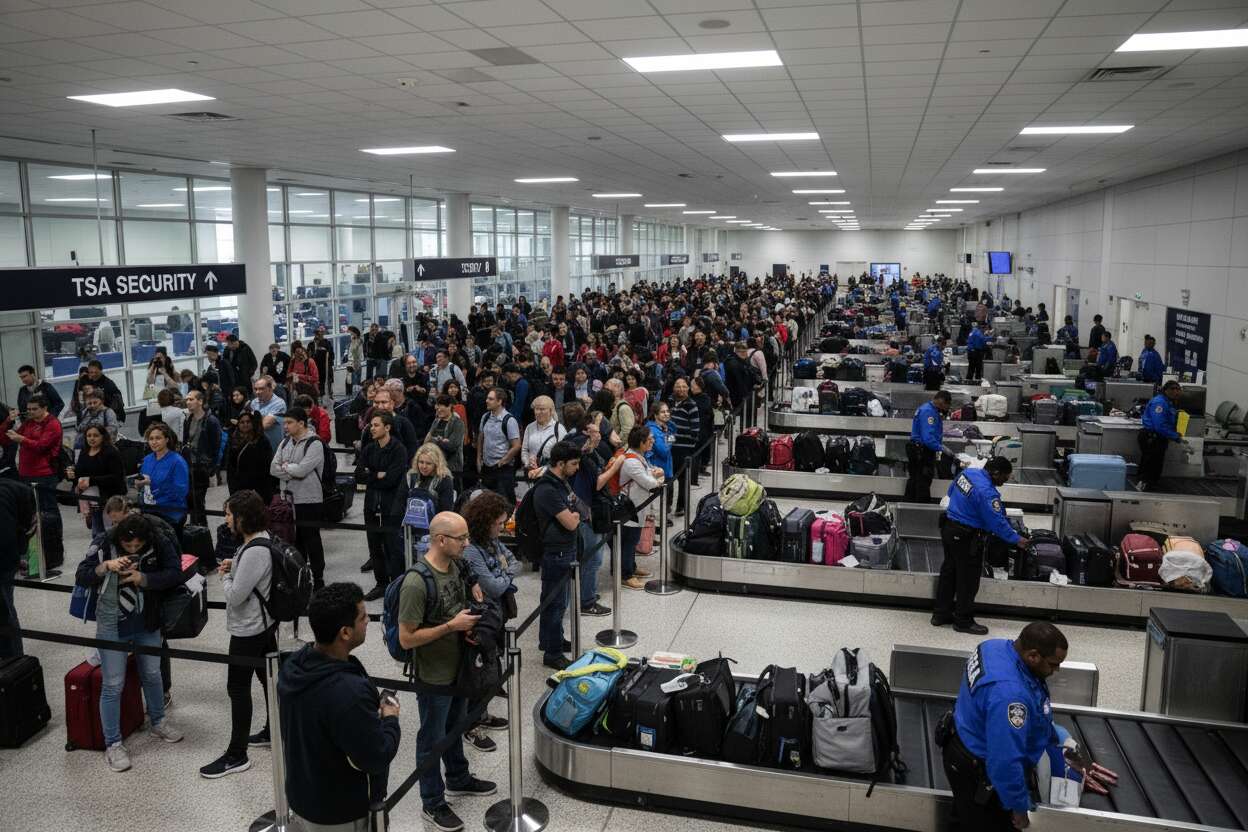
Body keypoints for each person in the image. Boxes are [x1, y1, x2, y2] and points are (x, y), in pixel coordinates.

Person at [944, 622, 1117, 831]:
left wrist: (1066, 755)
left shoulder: (993, 647)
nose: (1056, 670)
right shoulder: (1011, 696)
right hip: (977, 767)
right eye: (1053, 664)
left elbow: (1035, 717)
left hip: (962, 739)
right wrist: (1018, 807)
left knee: (966, 816)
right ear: (1033, 655)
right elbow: (1005, 762)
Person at [397, 512, 496, 832]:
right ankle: (432, 801)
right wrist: (451, 626)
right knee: (432, 737)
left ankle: (458, 777)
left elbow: (457, 602)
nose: (467, 543)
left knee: (456, 726)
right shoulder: (416, 582)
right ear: (441, 540)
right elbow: (407, 638)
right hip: (434, 675)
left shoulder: (455, 565)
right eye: (461, 538)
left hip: (459, 667)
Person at [279, 583, 402, 831]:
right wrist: (390, 719)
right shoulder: (348, 693)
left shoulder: (294, 666)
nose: (368, 621)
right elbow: (376, 756)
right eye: (363, 617)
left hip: (302, 797)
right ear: (345, 632)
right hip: (340, 813)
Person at [74, 513, 184, 771]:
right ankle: (113, 743)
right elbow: (82, 574)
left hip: (147, 620)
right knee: (113, 684)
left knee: (153, 674)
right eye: (128, 545)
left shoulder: (159, 541)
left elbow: (174, 574)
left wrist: (142, 579)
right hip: (111, 623)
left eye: (138, 546)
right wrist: (106, 566)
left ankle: (158, 721)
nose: (133, 549)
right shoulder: (105, 542)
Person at [199, 490, 276, 779]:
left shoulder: (254, 550)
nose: (226, 519)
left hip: (249, 628)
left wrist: (226, 576)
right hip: (264, 624)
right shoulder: (260, 539)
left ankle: (237, 754)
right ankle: (274, 730)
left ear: (243, 517)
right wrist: (236, 566)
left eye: (229, 514)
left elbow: (235, 596)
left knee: (238, 687)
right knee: (267, 678)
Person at [933, 457, 1029, 635]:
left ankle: (940, 614)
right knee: (968, 580)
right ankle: (963, 621)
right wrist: (1017, 539)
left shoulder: (968, 473)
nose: (1005, 481)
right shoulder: (987, 493)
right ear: (996, 473)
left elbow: (951, 491)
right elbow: (996, 522)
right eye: (1005, 477)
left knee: (949, 572)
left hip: (948, 527)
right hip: (966, 537)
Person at [460, 490, 516, 752]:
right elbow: (493, 587)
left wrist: (502, 574)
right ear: (485, 522)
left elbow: (513, 561)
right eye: (499, 523)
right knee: (477, 675)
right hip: (479, 621)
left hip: (494, 616)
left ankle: (480, 714)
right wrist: (505, 575)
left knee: (489, 670)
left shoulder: (492, 542)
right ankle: (469, 725)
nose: (502, 528)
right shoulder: (471, 551)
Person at [532, 441, 584, 670]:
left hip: (564, 548)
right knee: (555, 604)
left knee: (554, 601)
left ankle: (550, 640)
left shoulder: (560, 482)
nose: (577, 468)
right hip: (557, 552)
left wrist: (574, 513)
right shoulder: (548, 489)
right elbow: (571, 522)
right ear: (560, 464)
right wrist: (575, 515)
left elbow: (577, 507)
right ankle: (553, 653)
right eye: (574, 464)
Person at [271, 407, 328, 591]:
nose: (285, 426)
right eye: (285, 423)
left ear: (301, 423)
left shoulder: (314, 443)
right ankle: (300, 577)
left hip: (309, 500)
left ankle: (318, 579)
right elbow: (273, 468)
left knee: (311, 539)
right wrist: (291, 469)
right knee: (296, 541)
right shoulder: (285, 442)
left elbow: (303, 470)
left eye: (289, 423)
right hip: (288, 500)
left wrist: (286, 467)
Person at [359, 411, 407, 601]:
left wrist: (372, 475)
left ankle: (397, 585)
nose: (372, 428)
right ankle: (381, 583)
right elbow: (359, 475)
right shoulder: (369, 449)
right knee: (374, 546)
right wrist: (377, 475)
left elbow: (392, 479)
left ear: (387, 427)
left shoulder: (399, 449)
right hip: (371, 505)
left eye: (376, 425)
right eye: (371, 425)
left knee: (392, 547)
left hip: (392, 506)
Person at [1, 393, 63, 514]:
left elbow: (41, 447)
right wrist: (8, 421)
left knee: (48, 510)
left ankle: (52, 528)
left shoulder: (53, 423)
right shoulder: (29, 422)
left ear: (45, 408)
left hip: (44, 474)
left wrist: (22, 439)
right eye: (28, 409)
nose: (30, 412)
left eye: (34, 409)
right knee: (32, 511)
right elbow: (5, 439)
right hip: (25, 473)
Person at [618, 425, 663, 590]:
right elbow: (649, 482)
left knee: (633, 539)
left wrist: (654, 474)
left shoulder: (639, 457)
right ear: (641, 442)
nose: (652, 442)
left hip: (637, 506)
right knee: (629, 541)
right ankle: (626, 575)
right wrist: (657, 478)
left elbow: (649, 472)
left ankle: (631, 566)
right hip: (629, 508)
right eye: (649, 439)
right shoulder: (631, 461)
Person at [68, 424, 125, 536]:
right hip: (92, 501)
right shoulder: (84, 451)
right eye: (89, 436)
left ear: (103, 436)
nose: (92, 438)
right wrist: (72, 474)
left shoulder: (111, 452)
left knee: (110, 533)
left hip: (109, 499)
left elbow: (116, 478)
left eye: (95, 435)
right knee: (97, 534)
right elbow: (79, 473)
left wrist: (91, 480)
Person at [0, 477, 35, 658]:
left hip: (4, 559)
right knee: (6, 609)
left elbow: (9, 536)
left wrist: (17, 555)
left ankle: (14, 658)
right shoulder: (16, 488)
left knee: (5, 611)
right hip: (9, 556)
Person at [137, 422, 189, 536]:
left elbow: (181, 492)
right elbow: (143, 485)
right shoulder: (147, 460)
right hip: (149, 511)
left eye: (158, 438)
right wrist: (139, 484)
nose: (154, 442)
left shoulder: (177, 461)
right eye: (151, 439)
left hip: (170, 513)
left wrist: (152, 483)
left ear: (167, 440)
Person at [181, 390, 222, 527]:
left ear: (200, 401)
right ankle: (196, 527)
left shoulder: (211, 421)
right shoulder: (188, 419)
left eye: (191, 399)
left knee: (197, 500)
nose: (188, 402)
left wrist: (212, 468)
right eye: (187, 400)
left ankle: (200, 528)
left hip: (202, 466)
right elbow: (185, 441)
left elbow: (216, 446)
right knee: (191, 500)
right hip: (189, 465)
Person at [906, 391, 952, 504]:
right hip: (922, 452)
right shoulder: (929, 412)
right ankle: (922, 509)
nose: (947, 409)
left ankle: (909, 507)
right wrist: (942, 448)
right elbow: (928, 439)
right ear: (941, 401)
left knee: (915, 481)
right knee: (922, 482)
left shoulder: (928, 409)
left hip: (918, 449)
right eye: (947, 405)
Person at [476, 387, 520, 504]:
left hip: (503, 469)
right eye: (487, 398)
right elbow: (481, 437)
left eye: (490, 399)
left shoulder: (509, 420)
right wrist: (478, 458)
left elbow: (516, 445)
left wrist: (503, 461)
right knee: (487, 503)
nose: (487, 401)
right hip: (487, 467)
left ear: (499, 401)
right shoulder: (485, 417)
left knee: (505, 503)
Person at [1138, 380, 1183, 492]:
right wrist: (1175, 436)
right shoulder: (1160, 403)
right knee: (1151, 465)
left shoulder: (1168, 402)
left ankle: (1149, 486)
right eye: (1173, 389)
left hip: (1158, 438)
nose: (1176, 392)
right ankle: (1144, 488)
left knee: (1155, 464)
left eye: (1178, 389)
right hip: (1152, 438)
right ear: (1165, 390)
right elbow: (1159, 426)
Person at [666, 377, 700, 515]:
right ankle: (667, 505)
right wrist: (669, 442)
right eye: (678, 386)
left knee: (683, 479)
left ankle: (681, 506)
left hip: (684, 448)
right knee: (668, 477)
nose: (681, 389)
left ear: (688, 388)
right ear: (674, 388)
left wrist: (689, 447)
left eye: (684, 386)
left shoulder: (691, 405)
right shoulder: (670, 402)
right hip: (670, 447)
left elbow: (695, 430)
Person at [226, 411, 276, 503]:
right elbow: (230, 467)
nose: (245, 424)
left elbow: (267, 465)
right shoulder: (233, 440)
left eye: (248, 422)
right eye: (242, 422)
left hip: (259, 489)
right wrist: (233, 489)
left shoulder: (261, 440)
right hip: (238, 489)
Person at [520, 395, 564, 491]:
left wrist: (540, 470)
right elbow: (524, 450)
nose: (538, 412)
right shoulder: (529, 427)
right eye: (536, 409)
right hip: (532, 475)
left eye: (542, 409)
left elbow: (562, 456)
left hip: (551, 477)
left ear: (551, 411)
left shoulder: (559, 429)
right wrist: (528, 463)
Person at [425, 394, 466, 493]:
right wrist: (441, 440)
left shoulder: (458, 423)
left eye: (440, 406)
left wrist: (436, 440)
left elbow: (452, 446)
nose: (437, 409)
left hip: (452, 467)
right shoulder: (436, 421)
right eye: (437, 406)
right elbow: (426, 441)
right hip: (436, 465)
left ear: (449, 406)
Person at [410, 443, 456, 513]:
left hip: (435, 518)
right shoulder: (410, 476)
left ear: (436, 464)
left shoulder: (444, 480)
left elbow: (446, 510)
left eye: (428, 463)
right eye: (421, 462)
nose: (424, 466)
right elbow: (400, 503)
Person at [249, 376, 287, 451]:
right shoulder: (254, 402)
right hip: (257, 446)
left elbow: (265, 425)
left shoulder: (279, 403)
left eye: (261, 389)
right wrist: (263, 417)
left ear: (270, 389)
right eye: (256, 389)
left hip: (273, 447)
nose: (257, 392)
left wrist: (257, 419)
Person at [310, 327, 334, 401]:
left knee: (327, 382)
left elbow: (331, 355)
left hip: (325, 367)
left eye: (320, 334)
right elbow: (309, 356)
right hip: (316, 367)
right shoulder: (311, 344)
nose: (318, 336)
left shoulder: (327, 343)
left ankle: (329, 396)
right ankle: (319, 396)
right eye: (317, 334)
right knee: (318, 383)